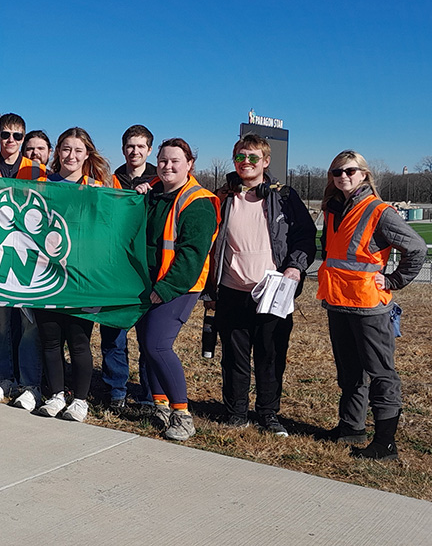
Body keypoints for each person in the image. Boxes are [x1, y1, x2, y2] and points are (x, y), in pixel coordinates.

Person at [202, 134, 316, 435]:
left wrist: (295, 267)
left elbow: (305, 237)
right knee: (234, 358)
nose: (246, 162)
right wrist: (209, 290)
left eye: (253, 157)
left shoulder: (285, 197)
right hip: (230, 290)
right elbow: (209, 245)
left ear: (265, 162)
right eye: (240, 156)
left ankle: (268, 414)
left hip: (272, 293)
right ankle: (236, 412)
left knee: (271, 355)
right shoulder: (223, 197)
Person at [318, 150, 425, 460]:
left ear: (363, 174)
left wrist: (393, 281)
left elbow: (416, 248)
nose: (343, 176)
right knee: (348, 371)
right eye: (337, 171)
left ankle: (385, 443)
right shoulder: (332, 208)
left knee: (381, 374)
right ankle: (351, 427)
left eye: (350, 171)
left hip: (368, 306)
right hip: (338, 302)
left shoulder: (378, 210)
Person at [135, 138, 219, 441]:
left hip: (179, 287)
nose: (168, 166)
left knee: (158, 345)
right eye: (163, 161)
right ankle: (160, 405)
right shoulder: (154, 194)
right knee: (146, 344)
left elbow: (192, 255)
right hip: (150, 284)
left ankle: (182, 415)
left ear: (189, 165)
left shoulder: (198, 202)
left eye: (175, 161)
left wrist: (167, 288)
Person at [33, 127, 109, 422]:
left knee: (79, 342)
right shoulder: (41, 184)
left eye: (78, 150)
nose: (71, 155)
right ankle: (55, 395)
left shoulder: (97, 189)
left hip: (80, 279)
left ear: (87, 154)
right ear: (57, 153)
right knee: (50, 340)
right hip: (45, 274)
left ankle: (79, 400)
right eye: (66, 149)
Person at [0, 113, 49, 411]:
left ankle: (30, 383)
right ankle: (5, 378)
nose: (11, 141)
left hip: (29, 258)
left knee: (29, 323)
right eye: (6, 135)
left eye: (17, 136)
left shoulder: (37, 171)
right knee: (2, 324)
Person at [101, 124, 158, 414]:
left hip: (147, 270)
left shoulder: (162, 181)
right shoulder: (111, 180)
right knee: (113, 334)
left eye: (140, 146)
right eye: (130, 146)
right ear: (123, 148)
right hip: (115, 268)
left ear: (149, 149)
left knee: (149, 338)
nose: (134, 151)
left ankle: (149, 396)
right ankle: (116, 389)